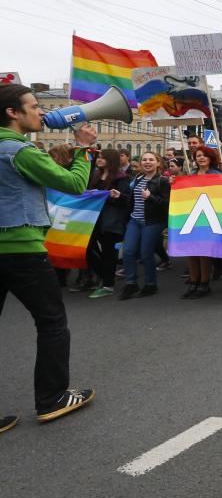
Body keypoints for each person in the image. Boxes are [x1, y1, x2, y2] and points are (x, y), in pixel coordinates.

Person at [0, 84, 97, 429]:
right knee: (52, 322)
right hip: (22, 249)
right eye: (34, 106)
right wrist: (84, 150)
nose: (41, 112)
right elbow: (73, 185)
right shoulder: (20, 151)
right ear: (13, 113)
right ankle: (52, 398)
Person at [118, 151, 170, 299]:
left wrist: (151, 197)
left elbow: (167, 204)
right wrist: (120, 195)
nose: (147, 162)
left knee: (146, 253)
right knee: (128, 252)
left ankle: (150, 284)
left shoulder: (163, 181)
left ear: (158, 163)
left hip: (152, 222)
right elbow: (133, 199)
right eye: (144, 160)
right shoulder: (138, 178)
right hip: (135, 220)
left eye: (151, 160)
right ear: (141, 163)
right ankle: (131, 284)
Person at [86, 149, 130, 299]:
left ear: (111, 160)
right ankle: (104, 275)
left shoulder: (121, 178)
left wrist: (114, 197)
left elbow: (126, 200)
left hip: (112, 222)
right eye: (99, 157)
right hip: (95, 219)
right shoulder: (96, 175)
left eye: (103, 158)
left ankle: (108, 284)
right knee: (87, 248)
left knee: (109, 254)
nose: (99, 159)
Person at [182, 145, 222, 299]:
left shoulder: (217, 174)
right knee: (191, 251)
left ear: (210, 158)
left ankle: (204, 283)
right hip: (191, 216)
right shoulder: (190, 175)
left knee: (204, 252)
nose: (201, 158)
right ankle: (194, 282)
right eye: (198, 155)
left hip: (209, 218)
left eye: (204, 155)